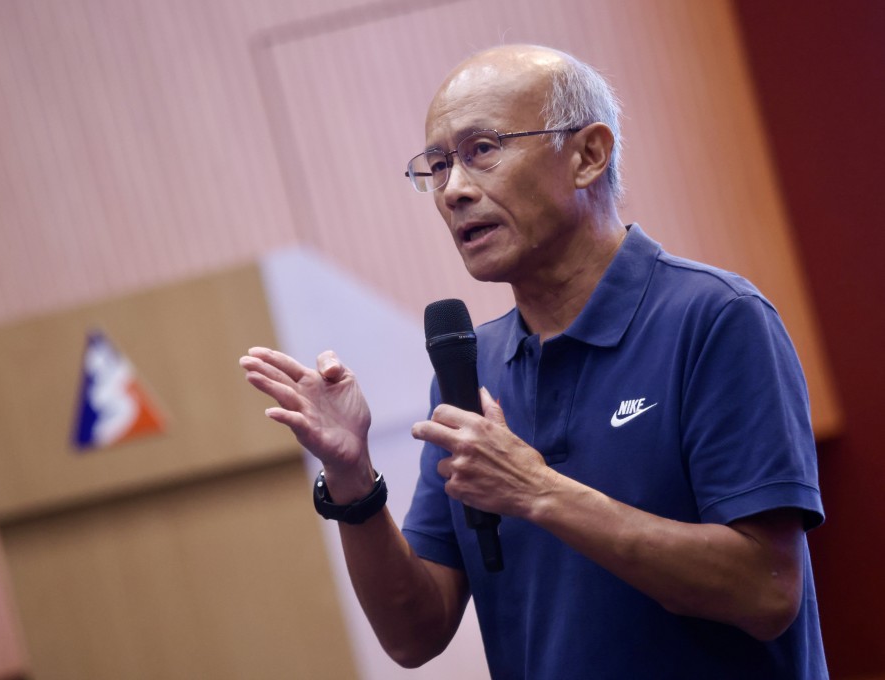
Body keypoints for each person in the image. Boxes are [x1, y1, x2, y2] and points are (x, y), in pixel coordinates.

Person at [239, 44, 827, 679]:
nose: (454, 190)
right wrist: (351, 479)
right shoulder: (471, 370)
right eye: (438, 165)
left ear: (588, 155)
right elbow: (414, 635)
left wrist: (537, 491)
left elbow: (766, 592)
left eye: (482, 150)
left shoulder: (716, 318)